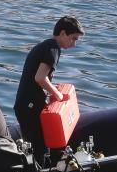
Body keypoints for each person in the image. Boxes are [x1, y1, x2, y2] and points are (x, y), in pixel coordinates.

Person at [13, 16, 85, 163]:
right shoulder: (53, 48)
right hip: (29, 106)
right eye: (74, 38)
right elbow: (40, 78)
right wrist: (58, 95)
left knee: (34, 148)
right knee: (39, 149)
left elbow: (39, 77)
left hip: (24, 105)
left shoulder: (46, 46)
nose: (74, 44)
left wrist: (52, 90)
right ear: (63, 33)